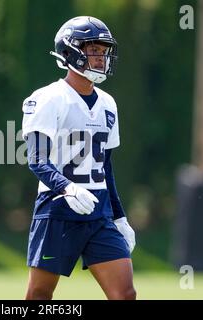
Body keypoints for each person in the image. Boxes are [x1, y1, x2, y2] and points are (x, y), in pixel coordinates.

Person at [21, 16, 136, 300]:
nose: (100, 58)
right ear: (71, 51)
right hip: (58, 209)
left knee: (125, 294)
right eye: (93, 50)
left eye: (103, 51)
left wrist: (119, 217)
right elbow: (37, 159)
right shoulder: (49, 98)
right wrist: (67, 187)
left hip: (99, 211)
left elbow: (105, 167)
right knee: (39, 295)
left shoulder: (108, 103)